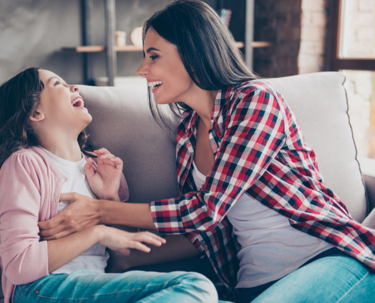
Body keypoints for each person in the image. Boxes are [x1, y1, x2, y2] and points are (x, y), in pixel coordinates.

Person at [37, 1, 375, 302]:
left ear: (193, 50)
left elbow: (206, 210)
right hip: (250, 287)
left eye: (153, 56)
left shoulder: (255, 100)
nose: (142, 70)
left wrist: (98, 212)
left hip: (328, 259)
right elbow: (206, 233)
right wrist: (124, 255)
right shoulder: (186, 136)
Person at [0, 67, 219, 303]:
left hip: (94, 284)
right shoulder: (25, 163)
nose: (74, 87)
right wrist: (98, 232)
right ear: (35, 113)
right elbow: (18, 266)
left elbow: (123, 256)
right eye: (57, 84)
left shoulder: (98, 169)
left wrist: (109, 196)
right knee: (195, 287)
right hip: (41, 288)